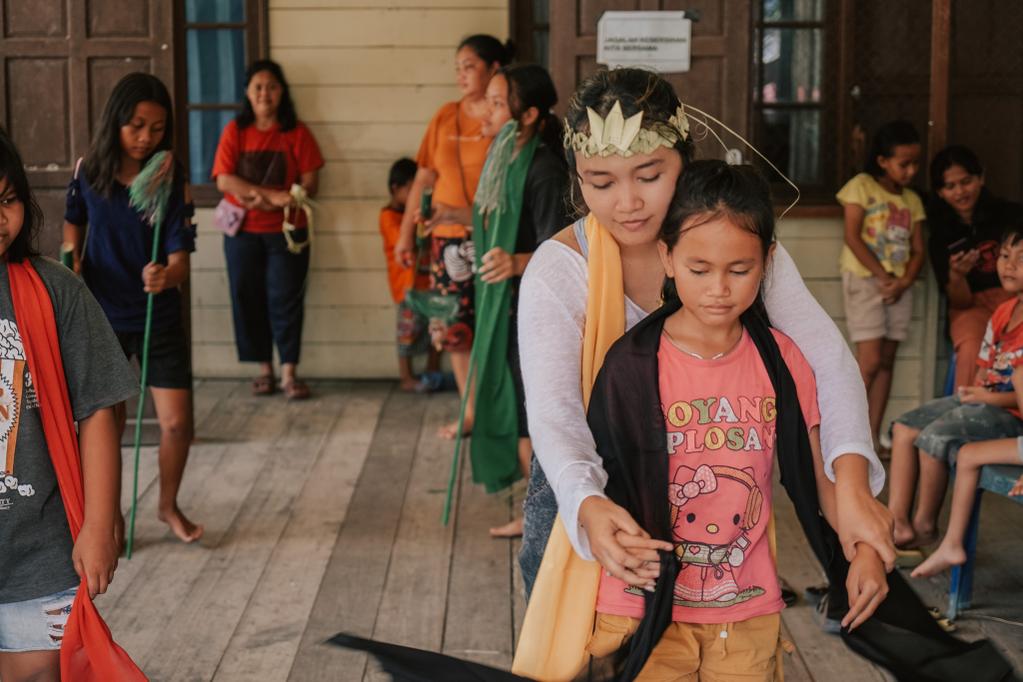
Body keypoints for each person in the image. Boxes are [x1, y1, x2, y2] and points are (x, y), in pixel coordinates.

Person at [515, 68, 893, 604]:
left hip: (717, 499)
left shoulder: (737, 249)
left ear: (684, 161)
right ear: (577, 179)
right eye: (600, 182)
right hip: (590, 491)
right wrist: (586, 503)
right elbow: (556, 416)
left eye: (649, 176)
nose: (627, 203)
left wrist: (850, 482)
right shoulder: (560, 271)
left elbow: (825, 360)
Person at [581, 160, 888, 680]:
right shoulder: (631, 365)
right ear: (667, 258)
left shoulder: (782, 362)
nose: (719, 289)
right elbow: (597, 477)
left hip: (745, 607)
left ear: (767, 261)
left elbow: (820, 479)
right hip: (641, 605)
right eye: (700, 270)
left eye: (739, 270)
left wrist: (864, 550)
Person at [0, 130, 143, 679]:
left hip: (42, 548)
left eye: (7, 199)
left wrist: (100, 524)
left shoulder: (56, 292)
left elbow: (97, 411)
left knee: (39, 669)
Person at [421, 63, 570, 537]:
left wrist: (516, 262)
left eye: (496, 101)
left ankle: (551, 517)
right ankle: (539, 512)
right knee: (513, 403)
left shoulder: (544, 167)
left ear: (526, 115)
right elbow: (500, 216)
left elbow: (561, 245)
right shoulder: (504, 154)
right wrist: (451, 212)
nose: (485, 108)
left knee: (529, 411)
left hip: (530, 307)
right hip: (501, 302)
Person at [63, 72, 203, 544]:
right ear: (116, 122)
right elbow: (71, 233)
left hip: (156, 315)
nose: (147, 138)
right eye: (136, 125)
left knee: (178, 423)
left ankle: (167, 506)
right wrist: (73, 264)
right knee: (111, 426)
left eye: (158, 128)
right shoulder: (89, 171)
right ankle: (113, 515)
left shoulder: (169, 174)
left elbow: (182, 256)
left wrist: (168, 274)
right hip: (102, 316)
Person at [394, 34, 513, 439]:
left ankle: (505, 414)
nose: (460, 74)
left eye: (469, 66)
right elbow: (424, 175)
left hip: (495, 238)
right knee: (457, 331)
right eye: (457, 67)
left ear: (493, 68)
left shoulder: (504, 118)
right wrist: (407, 233)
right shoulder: (445, 116)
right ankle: (471, 411)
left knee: (497, 326)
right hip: (447, 240)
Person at [888, 225, 1023, 549]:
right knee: (905, 428)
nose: (1009, 265)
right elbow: (984, 365)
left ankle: (924, 525)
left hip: (1011, 415)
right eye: (1005, 256)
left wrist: (986, 397)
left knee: (934, 437)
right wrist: (976, 392)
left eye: (1021, 259)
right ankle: (896, 525)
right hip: (984, 400)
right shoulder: (1004, 312)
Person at [212, 59, 324, 400]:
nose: (265, 93)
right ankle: (264, 368)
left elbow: (310, 182)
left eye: (272, 86)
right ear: (247, 92)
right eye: (258, 87)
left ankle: (289, 372)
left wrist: (282, 200)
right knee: (248, 297)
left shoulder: (297, 132)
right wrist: (264, 196)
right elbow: (223, 179)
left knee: (286, 298)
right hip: (243, 232)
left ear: (282, 93)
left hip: (289, 231)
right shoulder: (235, 131)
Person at [837, 120, 926, 450]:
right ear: (882, 161)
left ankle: (872, 437)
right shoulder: (861, 186)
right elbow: (852, 236)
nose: (911, 170)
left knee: (887, 360)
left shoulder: (912, 201)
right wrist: (883, 276)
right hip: (866, 281)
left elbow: (919, 250)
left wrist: (903, 281)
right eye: (904, 164)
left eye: (915, 163)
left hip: (898, 288)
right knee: (870, 361)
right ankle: (848, 435)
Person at [927, 145, 1021, 389]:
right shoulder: (941, 235)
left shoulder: (1010, 216)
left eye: (966, 181)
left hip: (1015, 300)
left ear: (981, 178)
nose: (960, 191)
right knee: (971, 345)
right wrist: (957, 275)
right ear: (940, 192)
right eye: (950, 186)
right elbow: (960, 303)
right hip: (972, 307)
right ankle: (968, 416)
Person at [379, 157, 439, 391]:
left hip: (429, 283)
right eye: (411, 189)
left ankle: (433, 371)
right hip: (407, 287)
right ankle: (406, 377)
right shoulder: (388, 216)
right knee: (406, 332)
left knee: (435, 330)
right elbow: (405, 242)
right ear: (396, 189)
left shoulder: (421, 216)